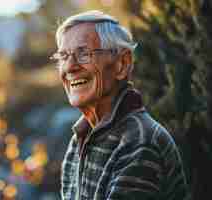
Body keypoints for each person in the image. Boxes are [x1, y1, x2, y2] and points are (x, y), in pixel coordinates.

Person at [50, 10, 190, 200]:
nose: (70, 67)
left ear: (122, 64)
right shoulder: (81, 137)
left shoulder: (140, 142)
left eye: (83, 53)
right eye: (64, 56)